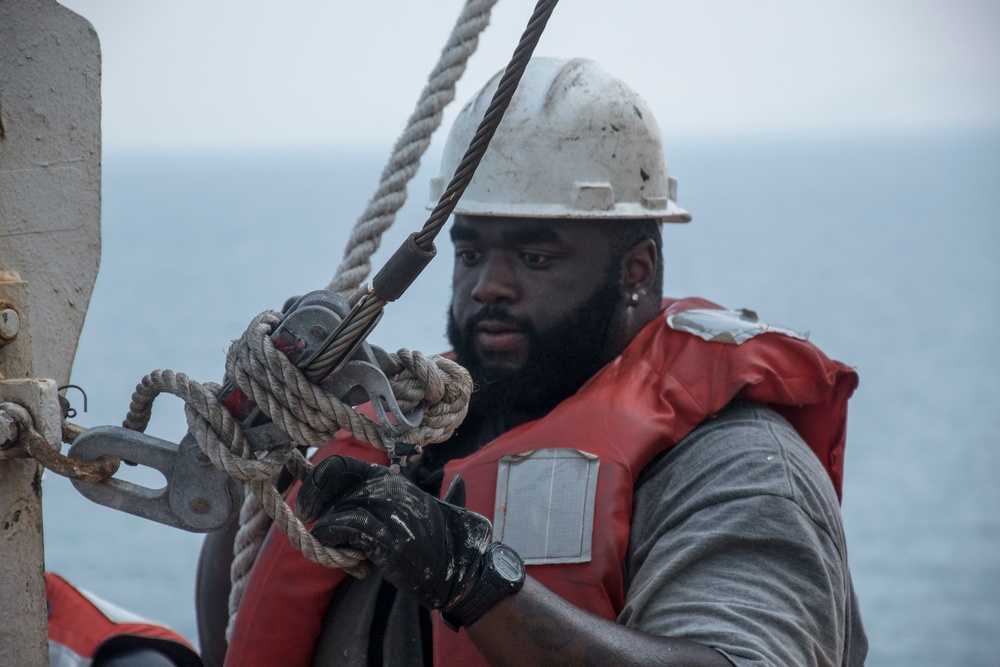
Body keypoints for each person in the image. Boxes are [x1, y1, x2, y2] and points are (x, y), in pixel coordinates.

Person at [196, 57, 867, 666]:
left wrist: (471, 578)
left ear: (637, 270)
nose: (489, 284)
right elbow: (233, 632)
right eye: (471, 253)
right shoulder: (403, 433)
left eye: (534, 256)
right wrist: (251, 463)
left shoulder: (737, 466)